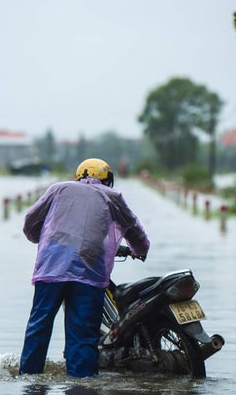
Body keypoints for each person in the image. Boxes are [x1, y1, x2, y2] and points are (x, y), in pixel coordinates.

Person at [19, 158, 150, 377]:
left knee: (39, 325)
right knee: (83, 334)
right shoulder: (112, 197)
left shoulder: (58, 189)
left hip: (52, 268)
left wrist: (38, 238)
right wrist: (140, 249)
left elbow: (31, 221)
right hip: (88, 273)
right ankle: (82, 386)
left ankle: (29, 379)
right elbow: (133, 228)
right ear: (108, 180)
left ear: (79, 176)